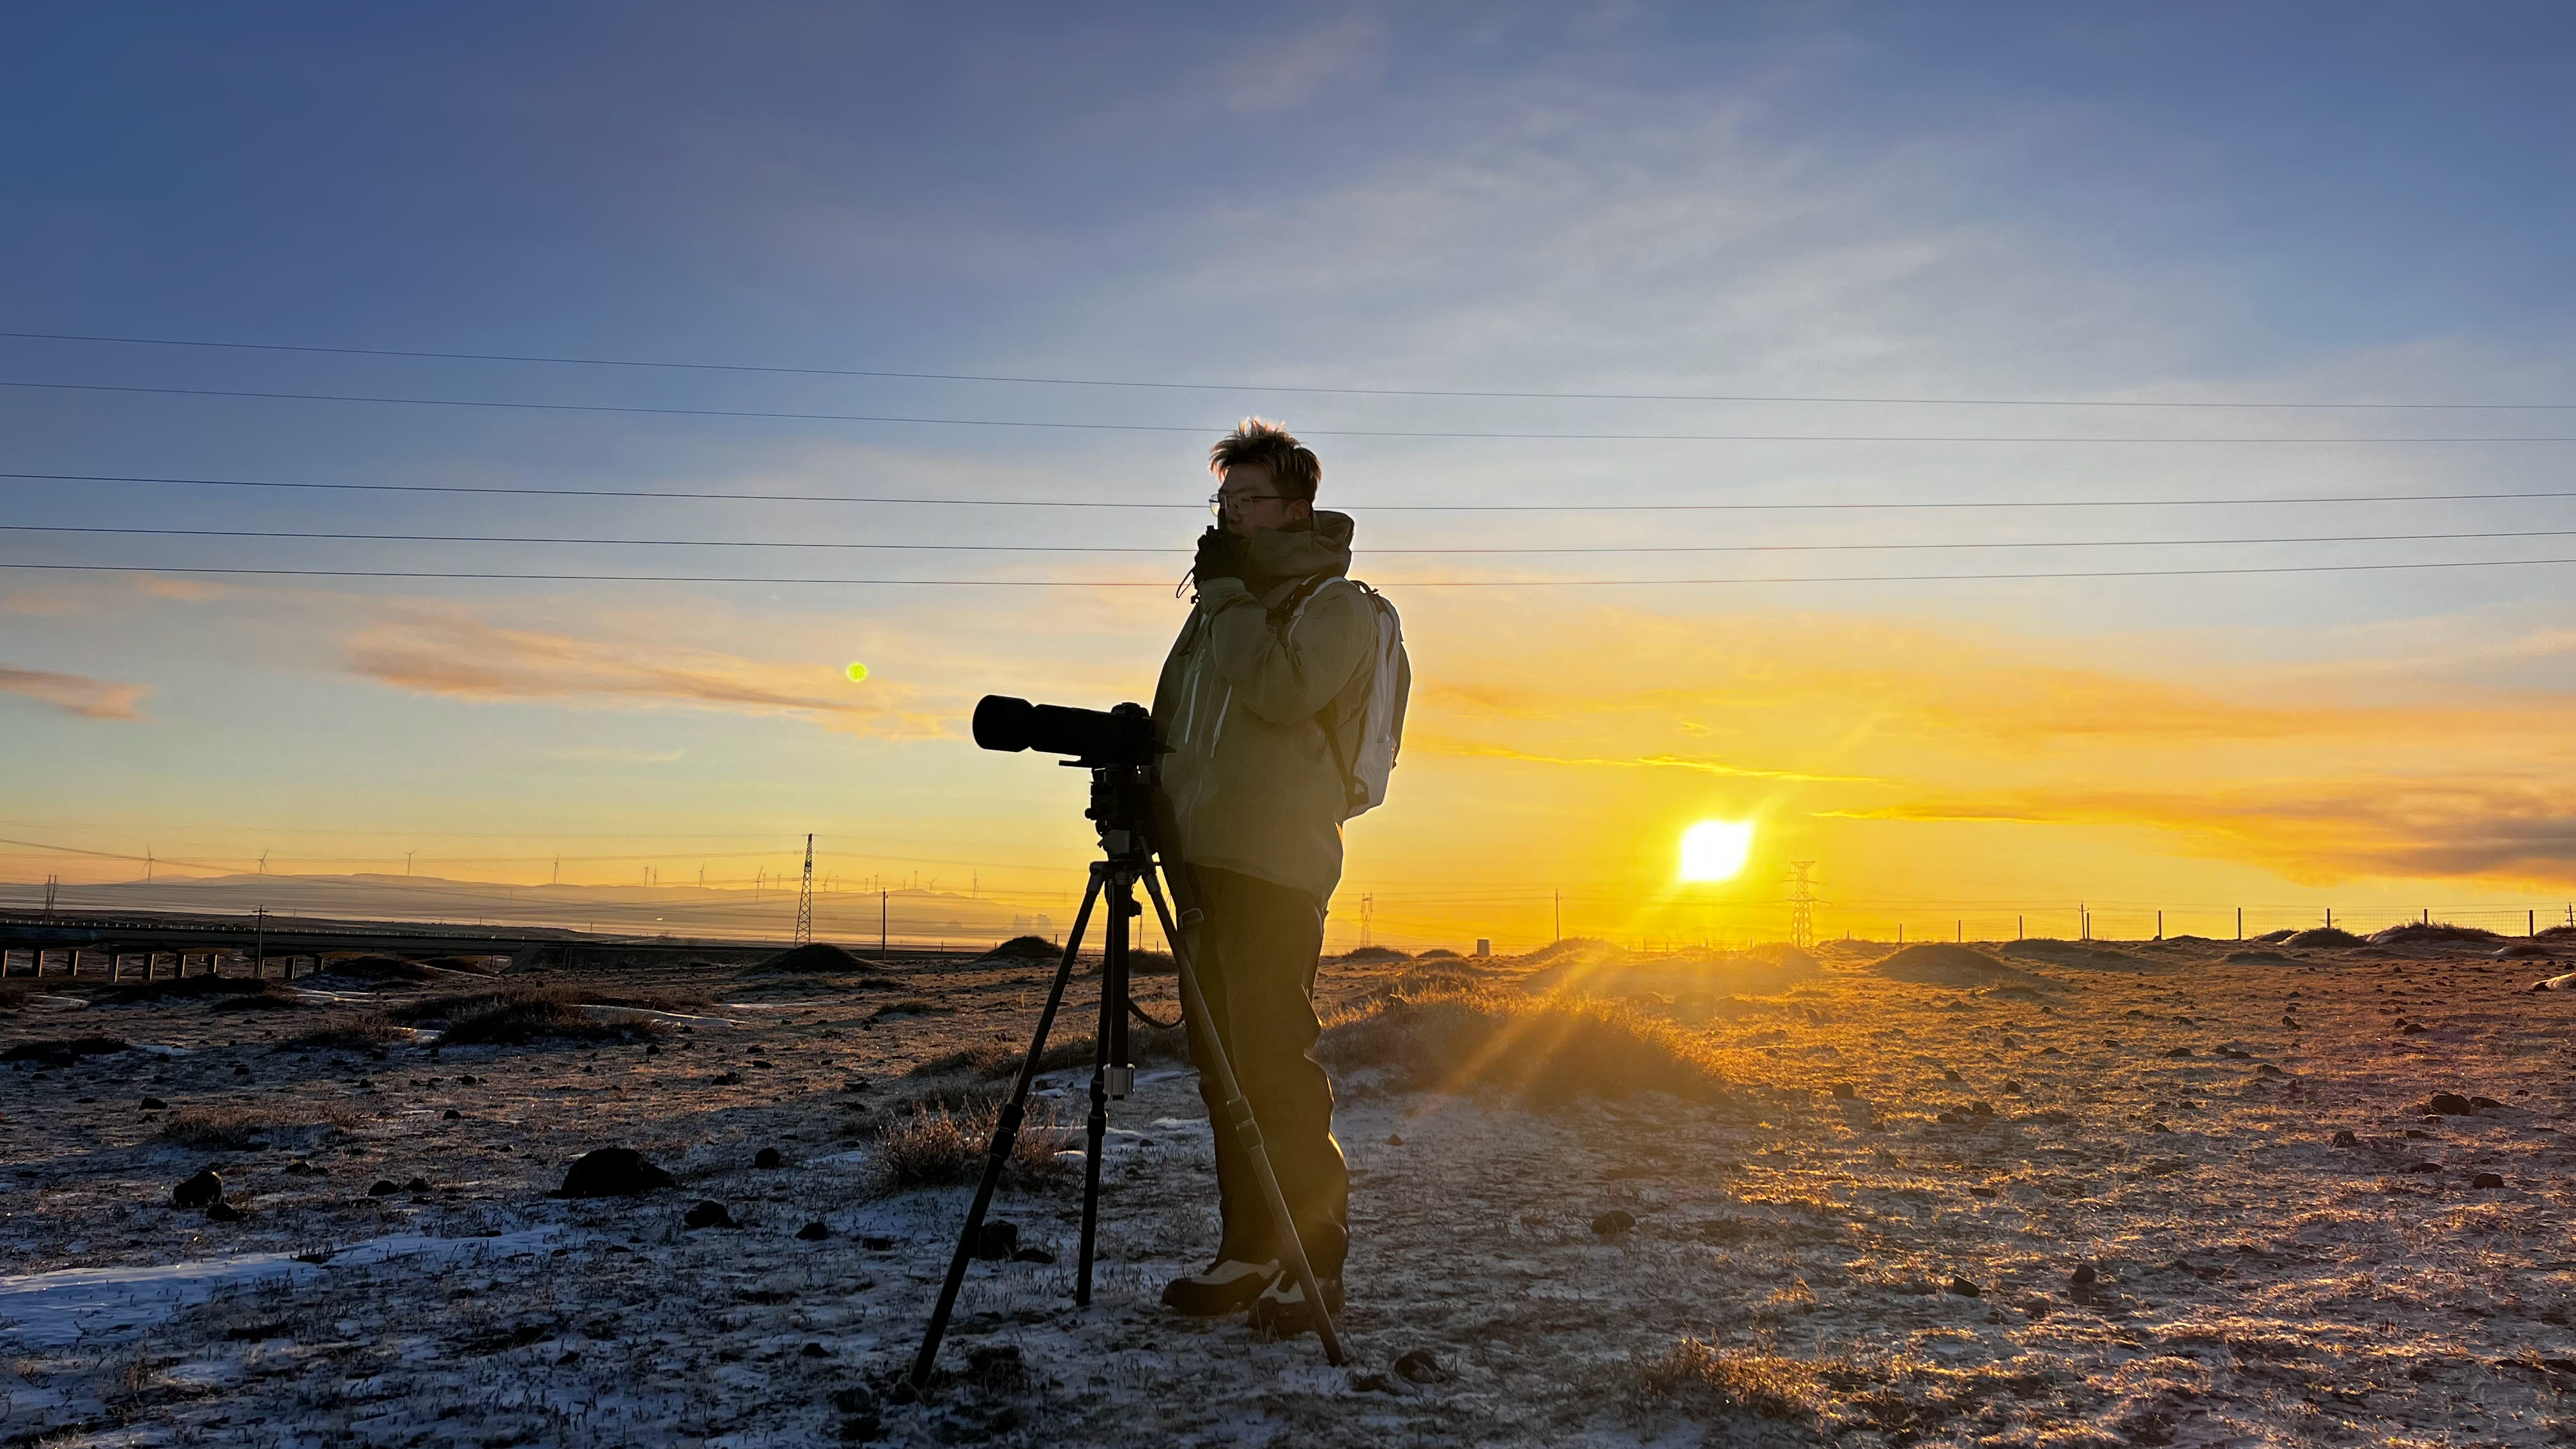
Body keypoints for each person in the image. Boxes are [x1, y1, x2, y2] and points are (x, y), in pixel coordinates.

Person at [1151, 417, 1380, 1337]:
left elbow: (1285, 693)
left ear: (1294, 508)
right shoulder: (1217, 611)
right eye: (1223, 502)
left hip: (1277, 866)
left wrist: (1229, 600)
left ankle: (1315, 1266)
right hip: (1200, 863)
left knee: (1276, 1071)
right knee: (1223, 1073)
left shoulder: (1336, 605)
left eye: (1246, 502)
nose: (1229, 518)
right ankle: (1249, 1250)